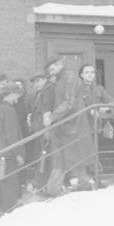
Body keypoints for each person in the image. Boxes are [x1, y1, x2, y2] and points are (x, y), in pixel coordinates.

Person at [43, 58, 94, 196]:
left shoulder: (69, 77)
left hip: (72, 126)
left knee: (73, 160)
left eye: (52, 69)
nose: (51, 72)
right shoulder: (61, 79)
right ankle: (54, 189)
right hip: (66, 125)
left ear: (59, 64)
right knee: (67, 160)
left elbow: (69, 102)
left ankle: (84, 186)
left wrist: (52, 117)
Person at [0, 83, 25, 213]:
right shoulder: (9, 110)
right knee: (10, 182)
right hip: (6, 151)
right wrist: (18, 153)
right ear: (10, 94)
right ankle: (6, 209)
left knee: (4, 177)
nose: (18, 96)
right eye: (17, 93)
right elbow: (11, 134)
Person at [28, 73, 55, 189]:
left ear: (45, 79)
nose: (36, 84)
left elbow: (47, 110)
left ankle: (40, 182)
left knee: (45, 155)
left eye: (39, 80)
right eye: (34, 82)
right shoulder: (38, 93)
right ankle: (41, 182)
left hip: (46, 129)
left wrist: (47, 129)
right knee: (42, 154)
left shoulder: (48, 89)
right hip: (39, 129)